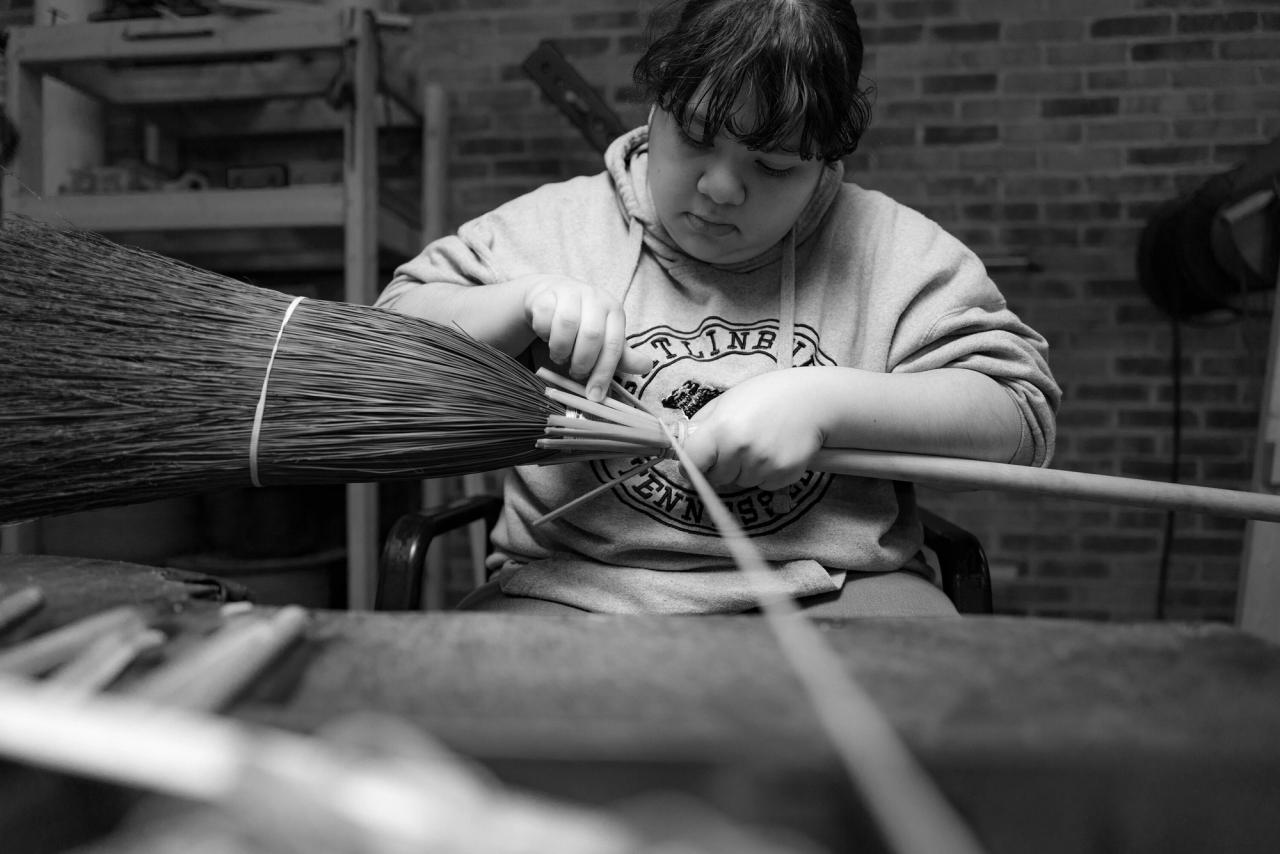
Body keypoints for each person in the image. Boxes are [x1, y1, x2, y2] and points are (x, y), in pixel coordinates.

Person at [376, 0, 1060, 617]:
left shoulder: (891, 251)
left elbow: (1017, 416)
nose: (722, 186)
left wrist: (825, 402)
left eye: (773, 165)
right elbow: (385, 343)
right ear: (656, 104)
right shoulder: (551, 230)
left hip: (835, 590)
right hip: (571, 588)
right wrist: (515, 305)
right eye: (697, 135)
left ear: (826, 159)